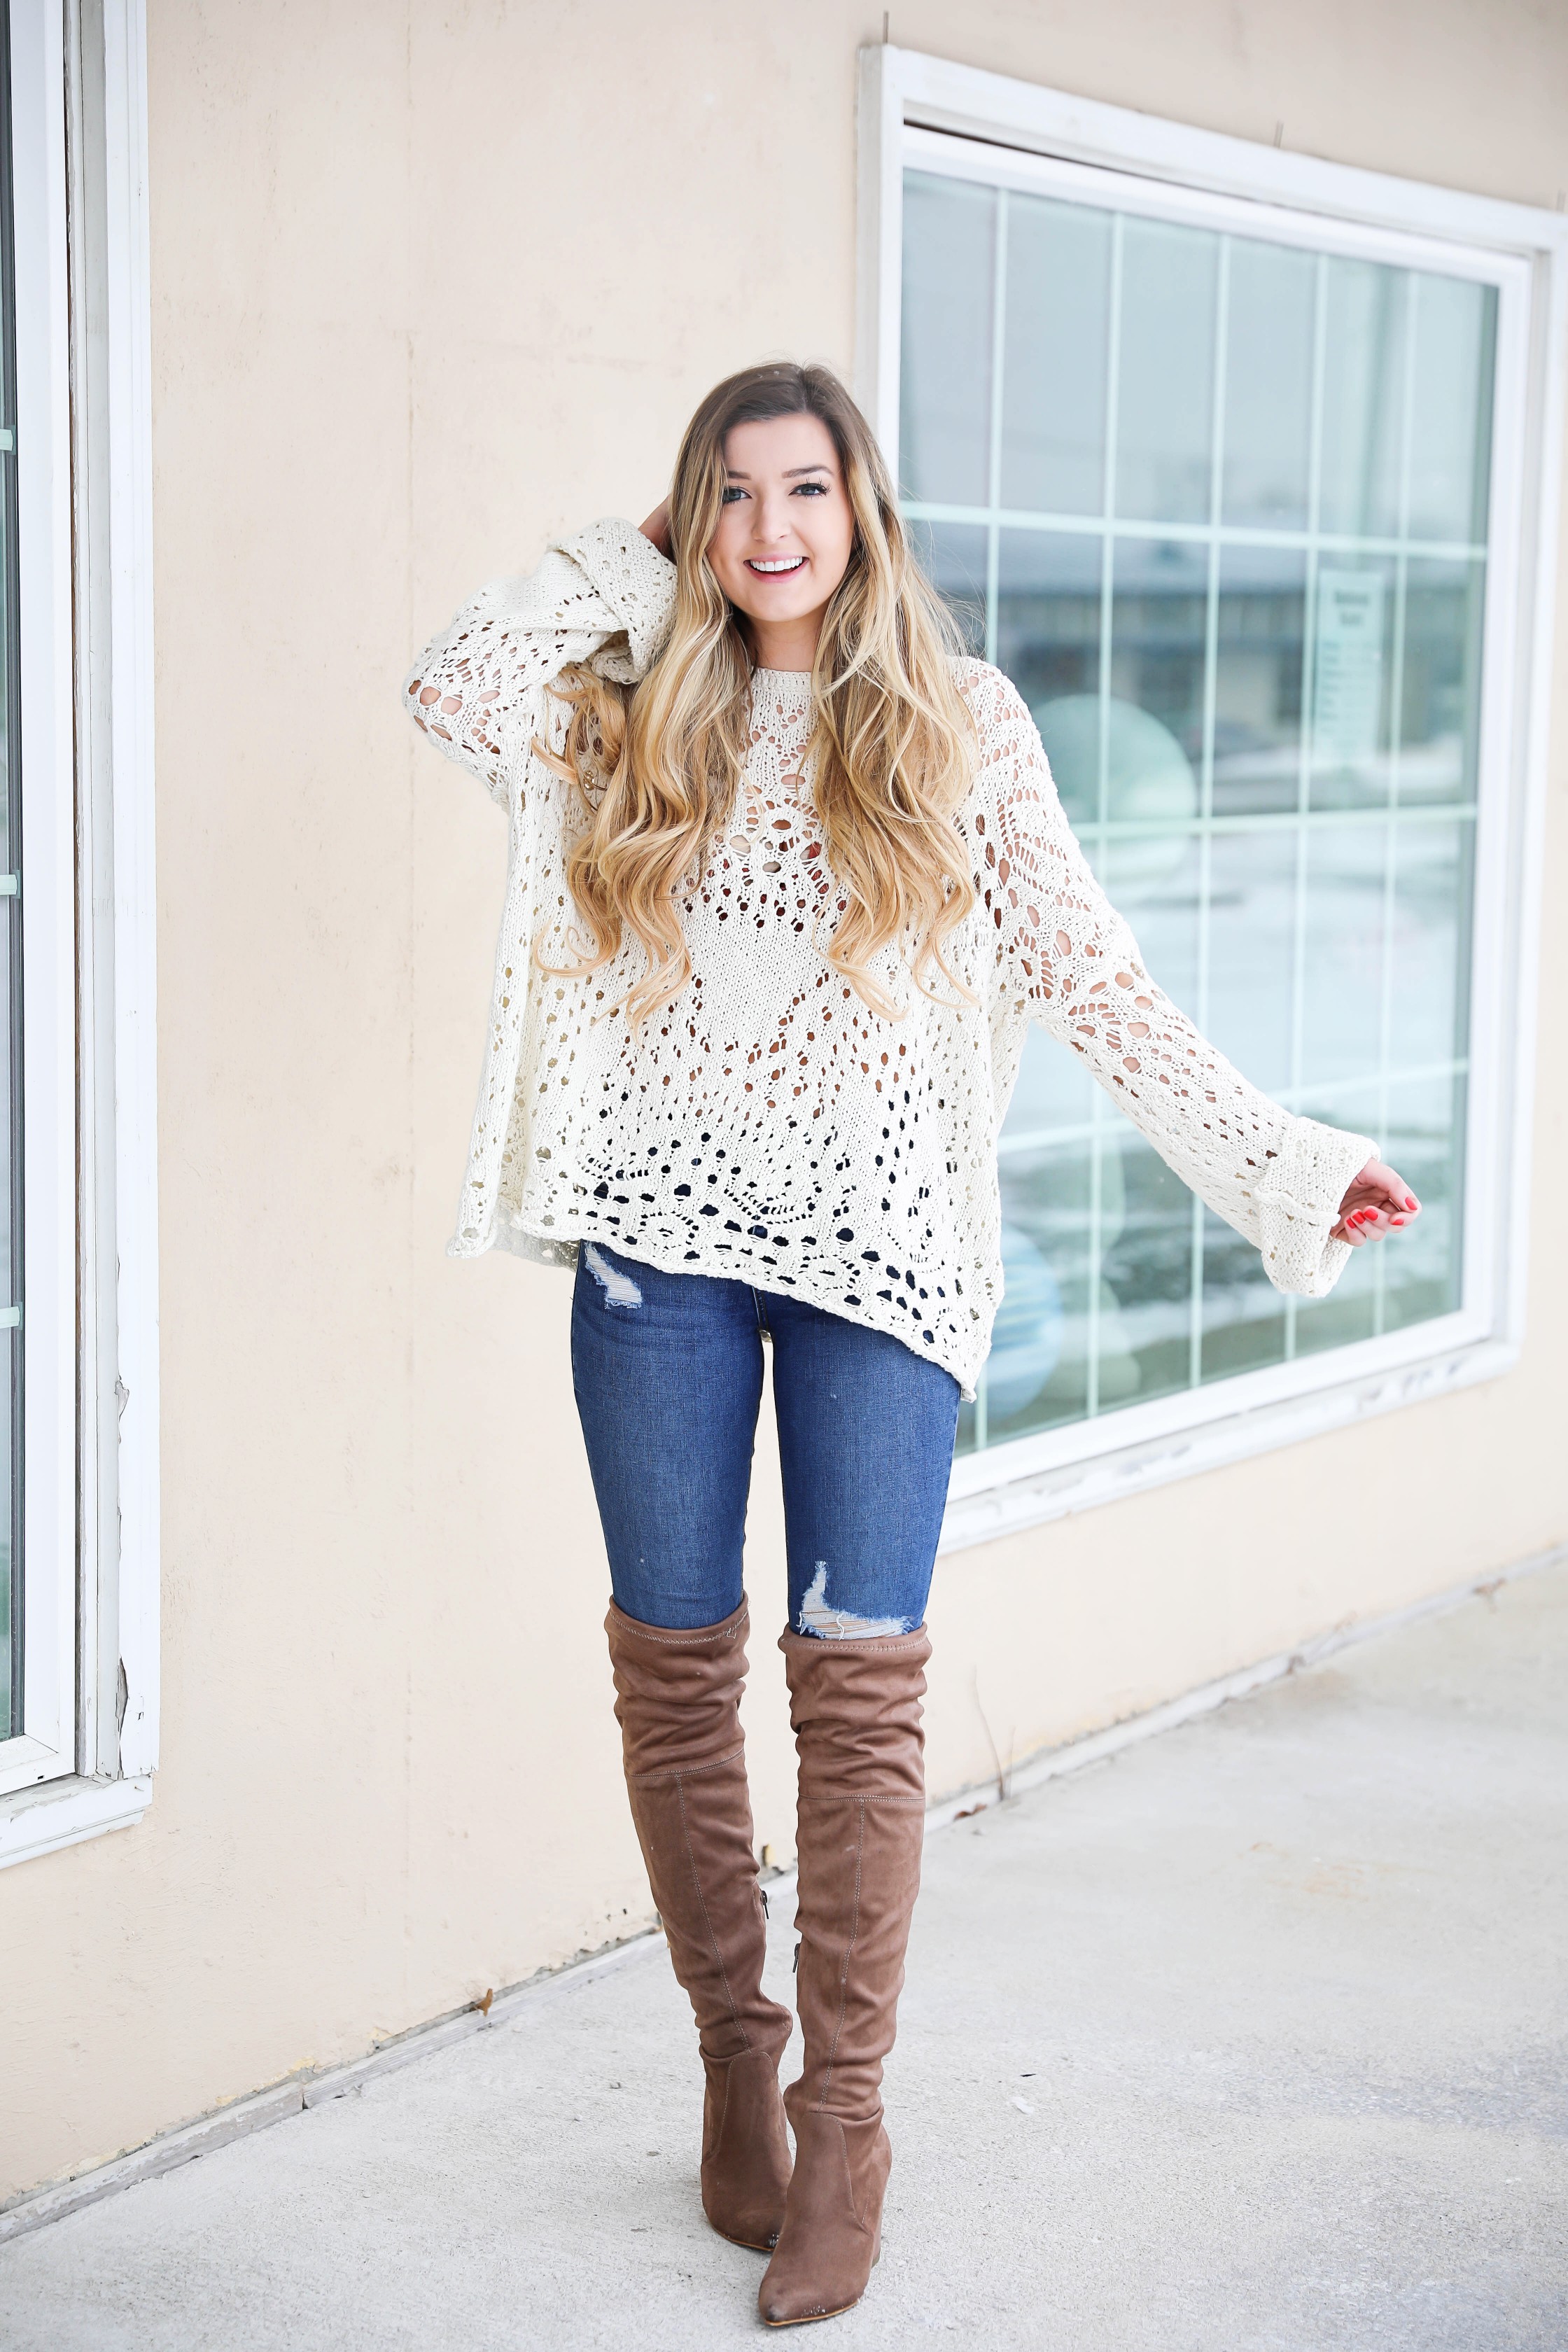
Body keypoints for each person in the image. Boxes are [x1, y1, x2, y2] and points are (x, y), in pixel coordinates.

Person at [404, 360, 1418, 2327]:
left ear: (864, 509)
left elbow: (1096, 983)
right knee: (677, 1667)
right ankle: (731, 2058)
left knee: (855, 1691)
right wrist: (618, 563)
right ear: (693, 517)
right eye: (729, 496)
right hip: (657, 1263)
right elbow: (451, 686)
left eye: (808, 489)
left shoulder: (961, 729)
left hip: (884, 1264)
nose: (771, 530)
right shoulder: (628, 710)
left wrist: (1282, 1163)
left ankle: (845, 2120)